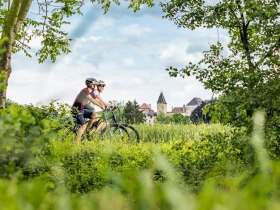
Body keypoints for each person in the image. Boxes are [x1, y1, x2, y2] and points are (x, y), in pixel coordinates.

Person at [72, 78, 105, 144]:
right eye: (94, 85)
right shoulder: (85, 91)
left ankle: (87, 131)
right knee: (83, 125)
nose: (95, 86)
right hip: (76, 110)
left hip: (82, 110)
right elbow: (92, 100)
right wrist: (100, 106)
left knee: (94, 114)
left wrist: (106, 105)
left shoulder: (91, 92)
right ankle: (77, 143)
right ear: (91, 85)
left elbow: (97, 100)